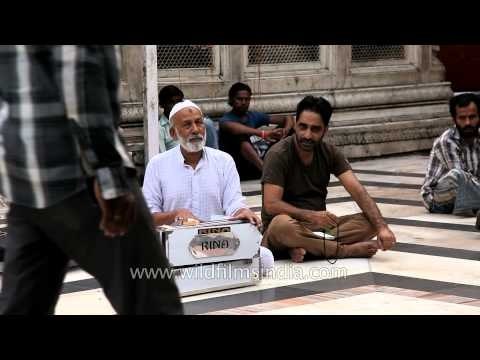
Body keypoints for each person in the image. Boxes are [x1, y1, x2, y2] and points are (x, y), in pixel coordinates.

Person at [0, 45, 182, 314]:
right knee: (152, 299)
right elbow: (79, 79)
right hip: (79, 175)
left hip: (24, 178)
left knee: (22, 306)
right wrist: (109, 177)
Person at [142, 99, 274, 272]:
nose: (196, 130)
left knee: (265, 259)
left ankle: (199, 270)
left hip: (216, 242)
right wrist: (174, 214)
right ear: (173, 133)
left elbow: (233, 203)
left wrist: (242, 211)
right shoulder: (157, 165)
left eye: (199, 123)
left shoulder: (224, 161)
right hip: (175, 245)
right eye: (187, 125)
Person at [261, 95, 396, 263]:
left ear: (325, 129)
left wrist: (382, 228)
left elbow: (358, 191)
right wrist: (311, 216)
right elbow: (271, 204)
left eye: (315, 129)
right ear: (295, 124)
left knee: (370, 221)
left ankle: (304, 248)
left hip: (321, 230)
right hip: (285, 228)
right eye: (303, 127)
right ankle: (342, 251)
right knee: (281, 225)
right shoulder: (278, 154)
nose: (307, 135)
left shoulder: (329, 153)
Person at [421, 93, 480, 227]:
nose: (468, 123)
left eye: (472, 117)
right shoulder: (447, 141)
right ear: (454, 119)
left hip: (467, 196)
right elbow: (464, 182)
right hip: (438, 200)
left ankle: (475, 206)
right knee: (458, 175)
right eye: (462, 118)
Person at [219, 82, 295, 179]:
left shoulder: (252, 115)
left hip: (255, 164)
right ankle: (268, 173)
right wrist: (263, 134)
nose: (243, 102)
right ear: (232, 100)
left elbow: (288, 118)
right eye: (239, 99)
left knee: (292, 129)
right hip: (237, 168)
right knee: (240, 137)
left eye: (247, 99)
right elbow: (234, 128)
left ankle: (287, 168)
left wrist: (285, 130)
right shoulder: (226, 120)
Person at [158, 85, 218, 152]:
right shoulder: (160, 128)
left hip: (199, 155)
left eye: (178, 102)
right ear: (162, 104)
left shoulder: (200, 121)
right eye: (171, 102)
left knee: (208, 123)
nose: (176, 105)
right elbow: (161, 155)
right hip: (176, 160)